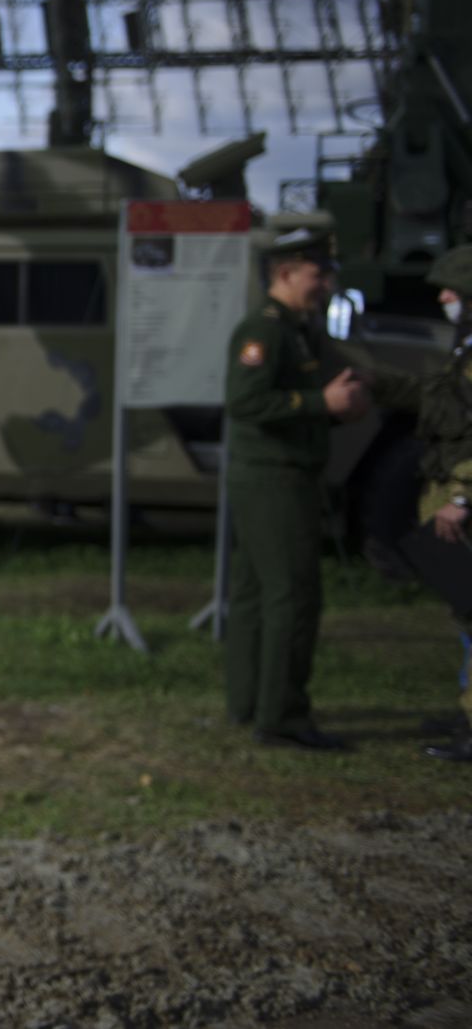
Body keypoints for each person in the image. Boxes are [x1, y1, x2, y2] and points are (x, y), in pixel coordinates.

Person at [222, 230, 368, 751]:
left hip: (278, 471)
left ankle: (249, 703)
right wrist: (319, 405)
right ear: (285, 273)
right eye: (316, 274)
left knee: (256, 592)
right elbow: (246, 404)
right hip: (274, 478)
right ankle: (281, 716)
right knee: (292, 595)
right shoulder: (264, 332)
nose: (324, 284)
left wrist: (328, 409)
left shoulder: (297, 330)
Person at [366, 245, 472, 762]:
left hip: (462, 502)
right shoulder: (465, 349)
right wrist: (379, 384)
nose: (443, 297)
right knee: (465, 611)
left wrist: (460, 497)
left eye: (452, 288)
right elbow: (440, 400)